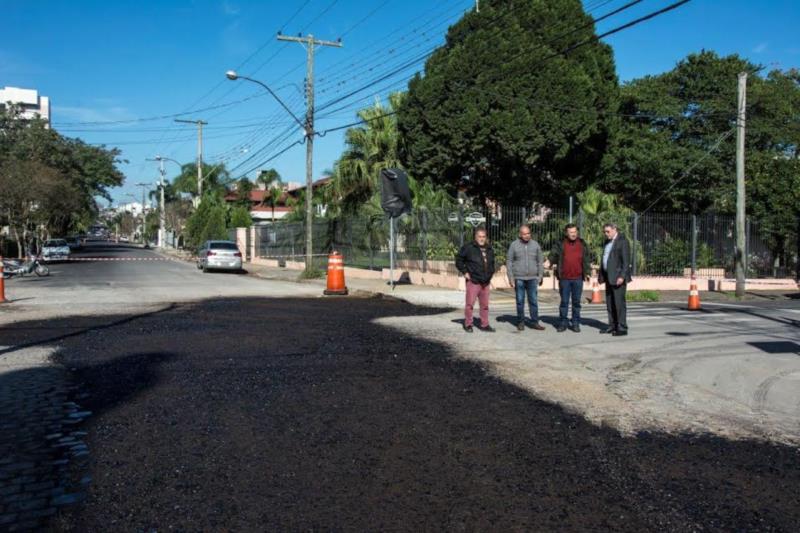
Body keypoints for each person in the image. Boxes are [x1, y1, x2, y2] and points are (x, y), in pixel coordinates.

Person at [549, 223, 591, 332]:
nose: (573, 234)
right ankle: (563, 322)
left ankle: (575, 323)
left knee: (576, 302)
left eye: (575, 232)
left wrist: (587, 272)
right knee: (564, 302)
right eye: (571, 232)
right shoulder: (560, 243)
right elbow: (554, 254)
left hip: (578, 278)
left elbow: (586, 258)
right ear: (566, 233)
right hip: (564, 279)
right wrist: (549, 261)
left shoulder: (582, 243)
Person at [456, 227, 496, 333]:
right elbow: (458, 260)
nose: (482, 239)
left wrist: (491, 274)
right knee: (470, 305)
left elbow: (492, 263)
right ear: (475, 237)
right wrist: (465, 272)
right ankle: (468, 324)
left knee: (485, 305)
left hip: (485, 282)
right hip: (473, 281)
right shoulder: (468, 247)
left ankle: (485, 324)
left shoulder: (489, 248)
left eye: (484, 236)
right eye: (480, 236)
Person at [506, 224, 545, 331]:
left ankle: (535, 322)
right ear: (520, 234)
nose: (527, 236)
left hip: (533, 278)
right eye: (524, 234)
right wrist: (510, 277)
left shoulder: (536, 245)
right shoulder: (514, 245)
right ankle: (521, 322)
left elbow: (540, 261)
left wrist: (540, 276)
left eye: (528, 233)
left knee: (533, 301)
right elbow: (509, 261)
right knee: (520, 301)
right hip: (519, 278)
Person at [598, 223, 632, 336]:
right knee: (610, 303)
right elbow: (605, 258)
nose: (606, 234)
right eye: (604, 232)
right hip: (608, 277)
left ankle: (622, 327)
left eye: (608, 231)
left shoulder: (622, 241)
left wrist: (622, 276)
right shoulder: (607, 242)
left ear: (614, 229)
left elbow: (626, 262)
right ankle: (612, 325)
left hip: (618, 278)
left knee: (619, 304)